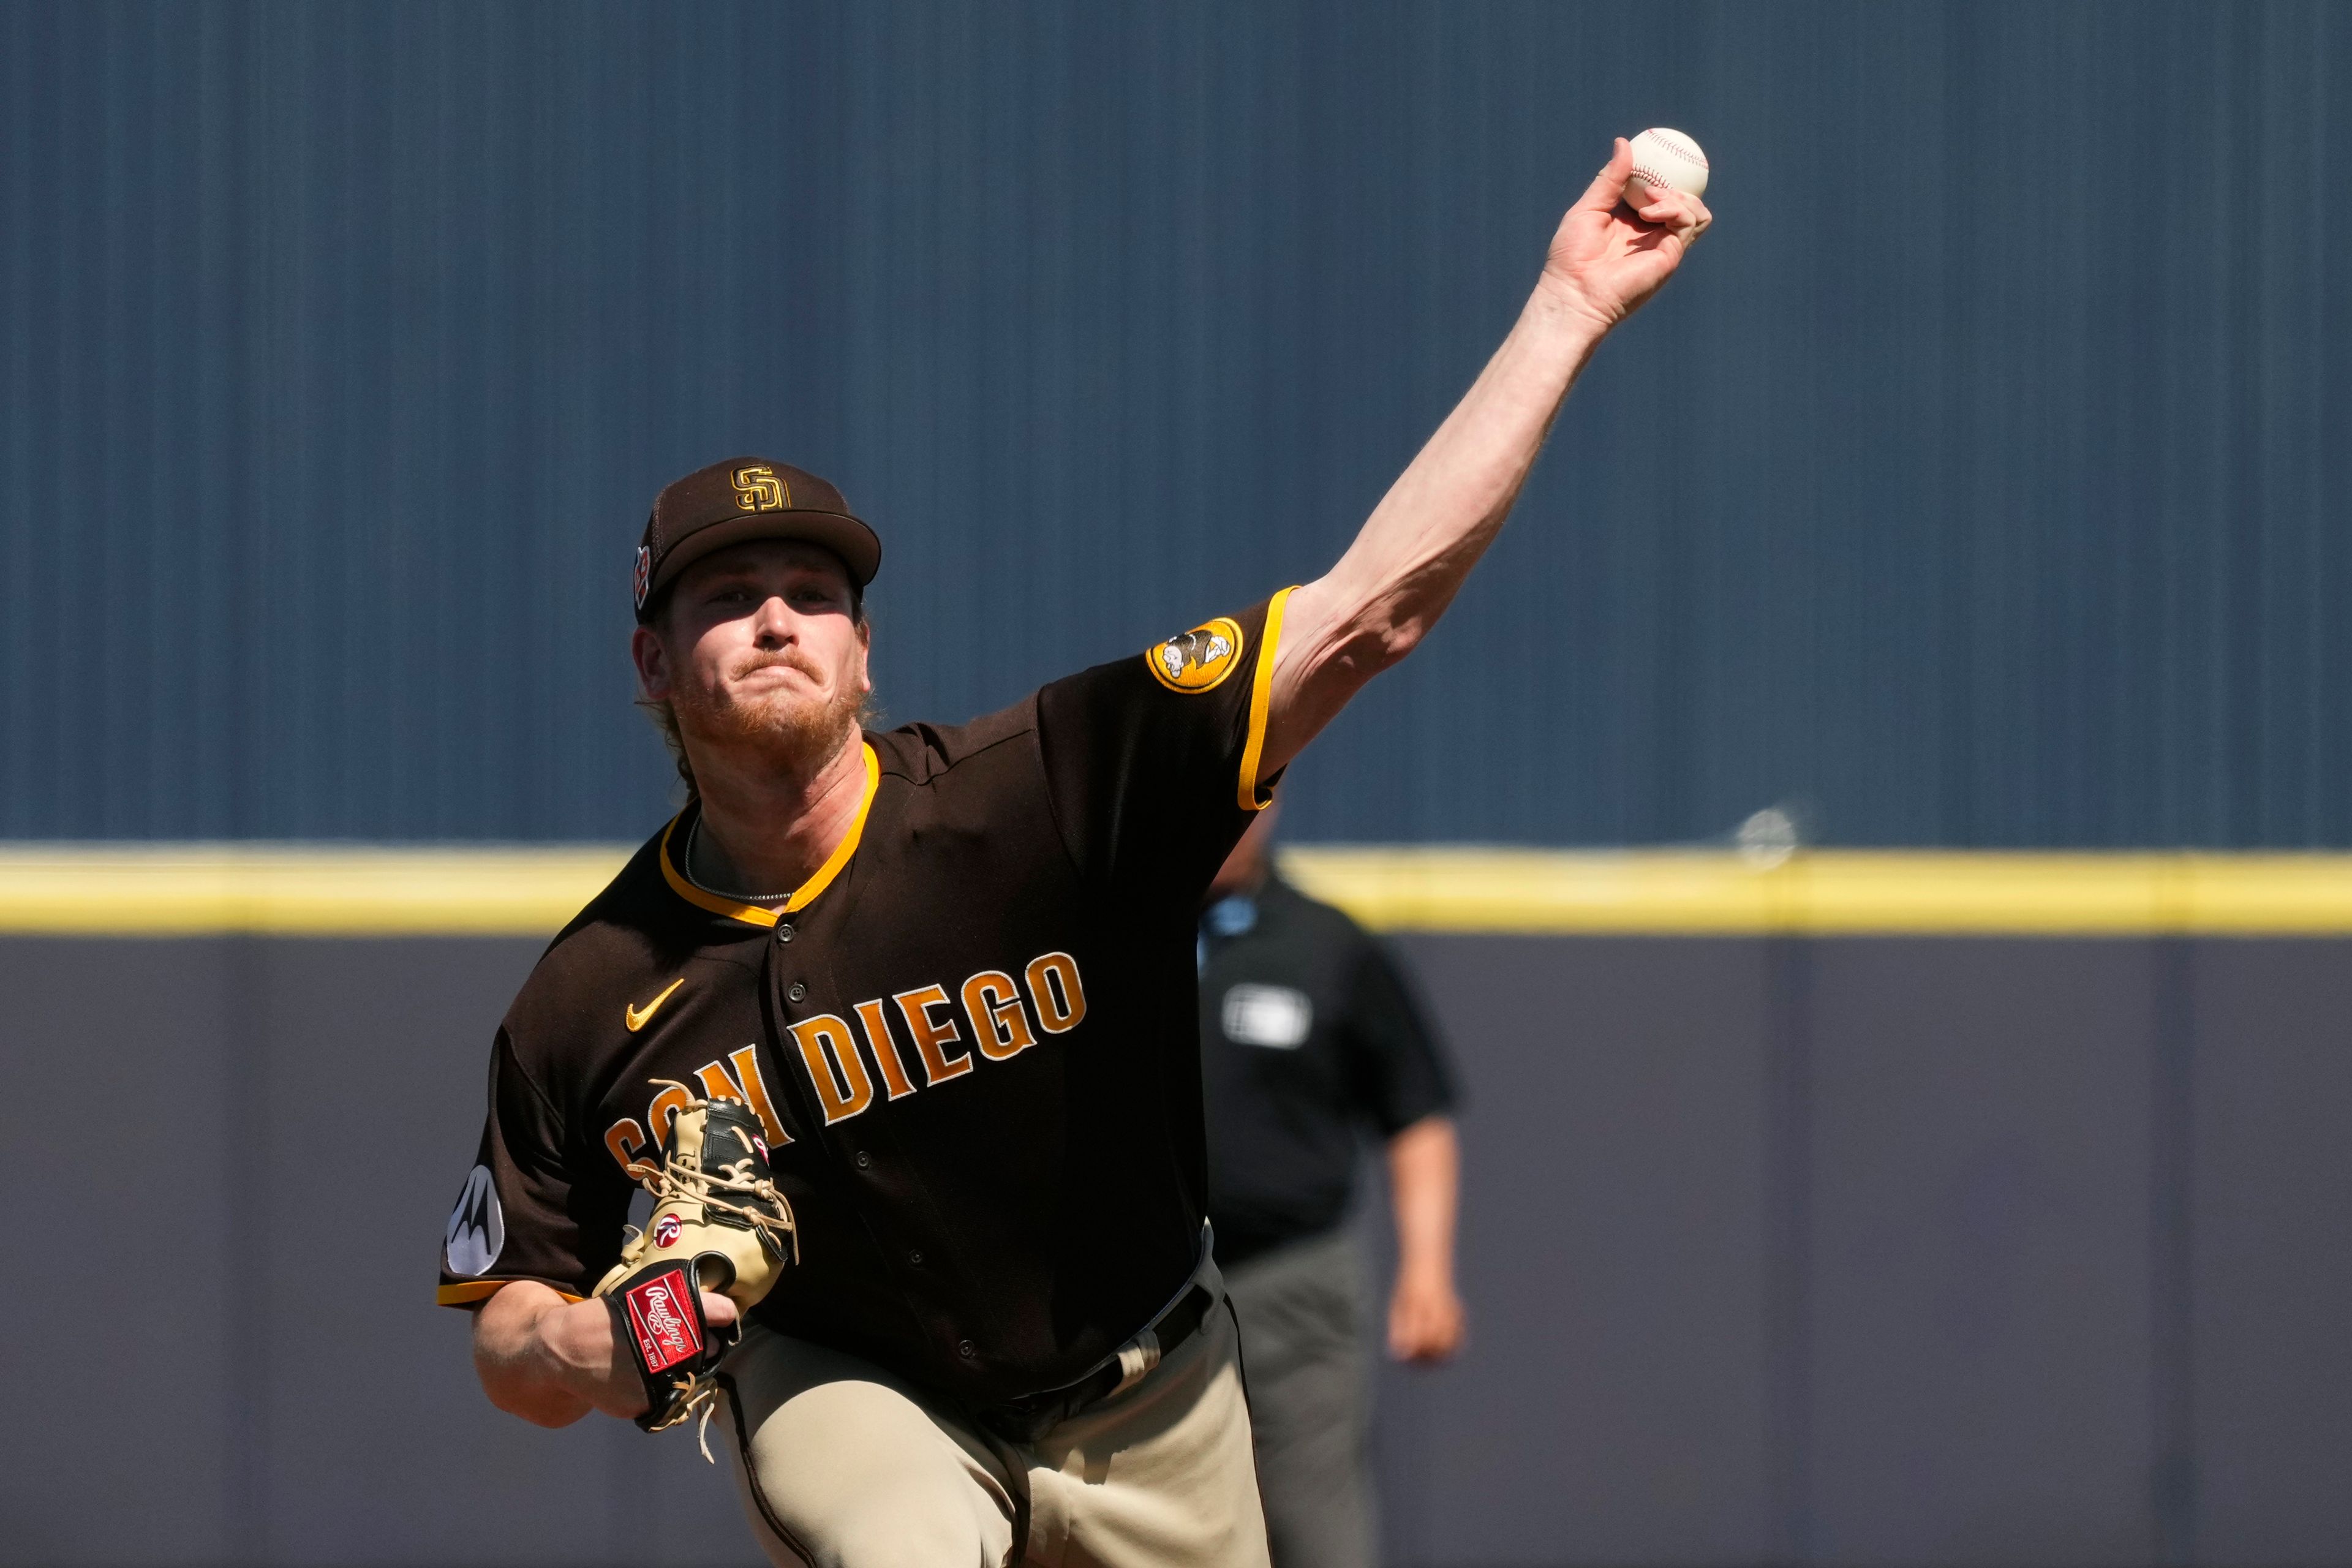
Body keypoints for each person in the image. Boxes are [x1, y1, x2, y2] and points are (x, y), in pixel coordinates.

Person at [437, 140, 1708, 1568]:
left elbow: (1364, 616)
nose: (780, 617)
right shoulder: (586, 994)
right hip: (861, 1389)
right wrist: (590, 1342)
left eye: (814, 589)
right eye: (728, 596)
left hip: (1150, 1385)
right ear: (653, 663)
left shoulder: (1040, 789)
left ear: (865, 650)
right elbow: (506, 1323)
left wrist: (1566, 304)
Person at [1200, 802, 1463, 1568]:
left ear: (1269, 803)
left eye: (1242, 795)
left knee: (1309, 1523)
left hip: (1288, 1284)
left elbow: (1417, 1111)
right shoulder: (1108, 932)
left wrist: (1428, 1270)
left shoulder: (1327, 945)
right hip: (1141, 1298)